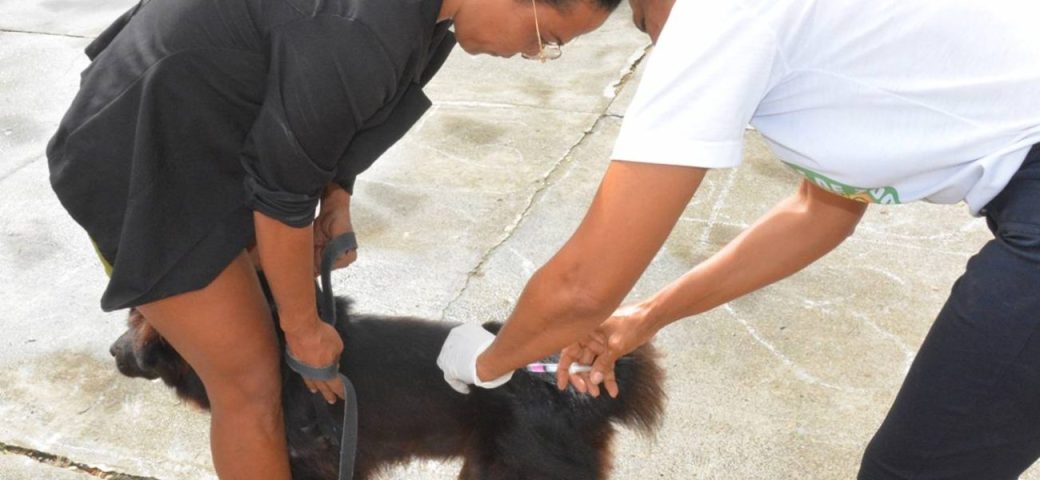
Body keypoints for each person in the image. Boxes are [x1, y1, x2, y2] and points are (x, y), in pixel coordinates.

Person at [436, 0, 1040, 477]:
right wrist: (642, 319)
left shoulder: (715, 19)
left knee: (917, 472)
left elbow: (581, 286)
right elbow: (819, 212)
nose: (655, 47)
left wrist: (483, 364)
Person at [46, 0, 617, 476]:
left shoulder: (432, 17)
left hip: (215, 144)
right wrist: (303, 330)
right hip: (143, 157)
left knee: (261, 335)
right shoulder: (364, 26)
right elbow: (280, 195)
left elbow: (327, 118)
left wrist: (337, 194)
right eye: (547, 36)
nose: (532, 54)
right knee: (250, 385)